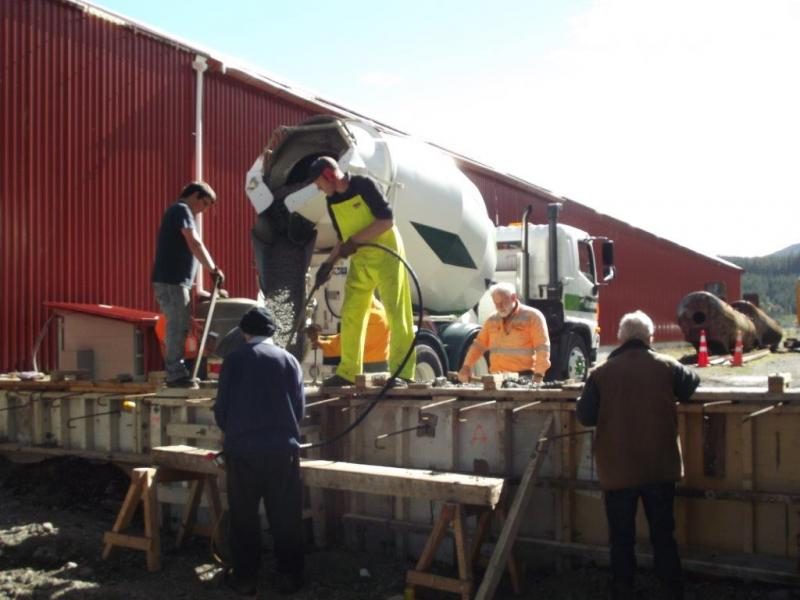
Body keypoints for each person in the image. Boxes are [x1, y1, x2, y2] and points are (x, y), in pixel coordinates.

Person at [576, 310, 699, 600]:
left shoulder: (601, 373)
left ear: (620, 337)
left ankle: (622, 588)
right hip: (660, 466)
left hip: (617, 470)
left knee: (621, 537)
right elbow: (691, 385)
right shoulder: (667, 366)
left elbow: (585, 416)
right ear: (649, 337)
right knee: (663, 534)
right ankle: (671, 588)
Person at [213, 306, 305, 596]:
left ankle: (245, 579)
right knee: (285, 516)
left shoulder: (233, 361)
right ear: (272, 332)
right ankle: (289, 577)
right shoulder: (289, 361)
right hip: (281, 452)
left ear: (244, 332)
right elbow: (299, 410)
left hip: (242, 452)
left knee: (243, 516)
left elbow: (222, 409)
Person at [307, 156, 415, 387]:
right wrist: (328, 263)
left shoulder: (363, 185)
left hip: (387, 253)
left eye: (319, 183)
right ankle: (347, 372)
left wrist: (353, 241)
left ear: (330, 175)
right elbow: (342, 239)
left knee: (397, 313)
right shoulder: (332, 201)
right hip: (361, 258)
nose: (319, 189)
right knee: (352, 313)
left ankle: (402, 373)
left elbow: (386, 221)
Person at [152, 181, 224, 387]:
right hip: (172, 281)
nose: (205, 209)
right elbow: (194, 242)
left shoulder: (178, 212)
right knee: (177, 326)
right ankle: (175, 373)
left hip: (173, 281)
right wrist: (213, 269)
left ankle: (177, 370)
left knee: (180, 325)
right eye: (206, 203)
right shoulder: (182, 210)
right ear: (195, 196)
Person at [458, 282, 550, 384]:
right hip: (497, 378)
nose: (500, 307)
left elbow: (542, 348)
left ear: (513, 297)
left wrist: (539, 375)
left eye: (503, 302)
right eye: (496, 304)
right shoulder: (492, 319)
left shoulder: (533, 317)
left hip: (523, 378)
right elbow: (479, 345)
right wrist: (466, 366)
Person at [308, 296, 390, 373]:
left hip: (371, 367)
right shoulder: (377, 309)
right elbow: (347, 338)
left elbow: (351, 344)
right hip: (373, 364)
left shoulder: (374, 316)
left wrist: (321, 343)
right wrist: (322, 339)